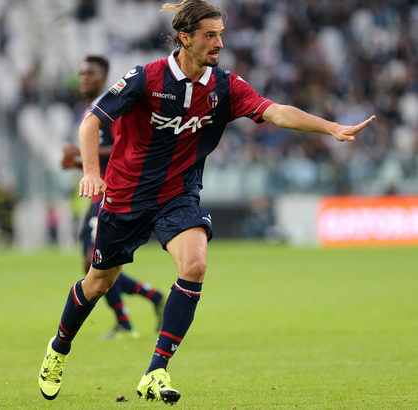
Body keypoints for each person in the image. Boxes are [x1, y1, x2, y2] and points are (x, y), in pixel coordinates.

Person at [38, 0, 375, 404]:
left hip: (178, 195)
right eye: (210, 36)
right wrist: (92, 173)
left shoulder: (225, 86)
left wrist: (331, 127)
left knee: (195, 265)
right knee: (98, 284)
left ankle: (156, 371)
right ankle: (59, 348)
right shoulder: (146, 78)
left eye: (221, 35)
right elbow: (92, 121)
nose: (219, 43)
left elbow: (276, 112)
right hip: (127, 196)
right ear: (185, 38)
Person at [61, 55, 165, 339]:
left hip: (112, 193)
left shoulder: (110, 109)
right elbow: (100, 156)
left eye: (90, 74)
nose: (84, 78)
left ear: (103, 77)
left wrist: (79, 153)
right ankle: (149, 299)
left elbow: (124, 145)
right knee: (92, 264)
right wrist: (77, 162)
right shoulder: (89, 110)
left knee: (93, 262)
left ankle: (125, 322)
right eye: (81, 74)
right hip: (97, 196)